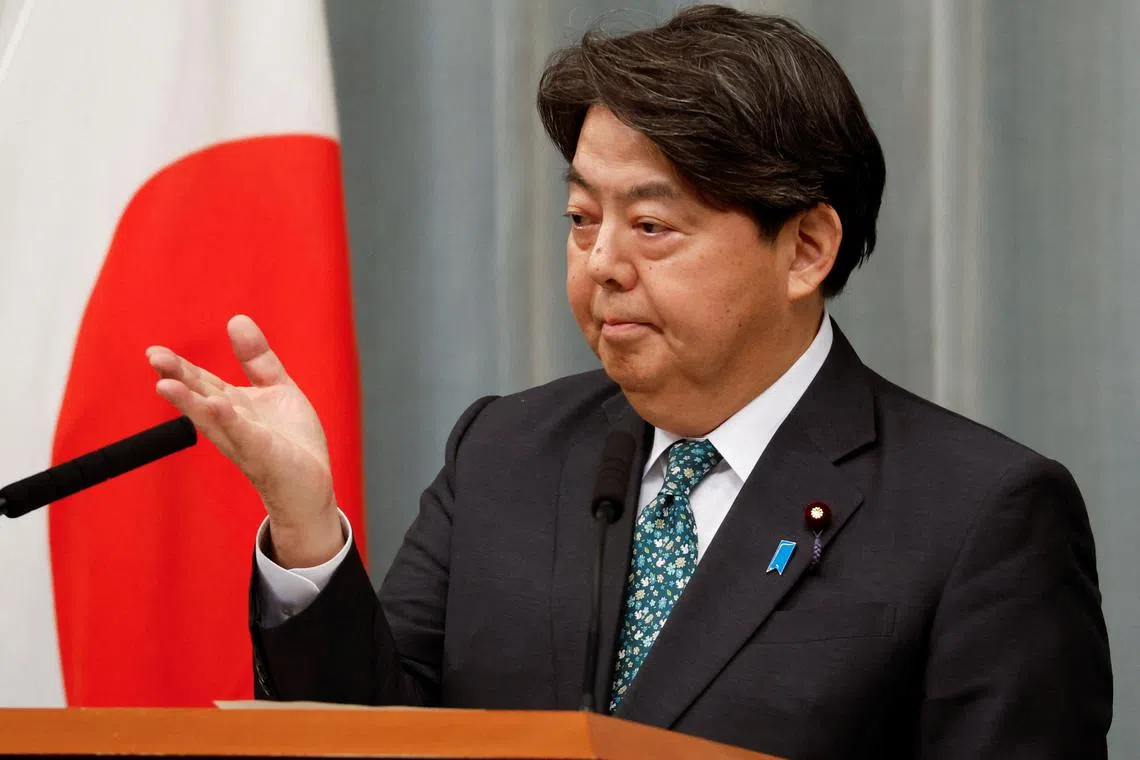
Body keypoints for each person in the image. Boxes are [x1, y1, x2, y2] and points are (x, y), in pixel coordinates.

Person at [146, 5, 1112, 758]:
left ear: (806, 246)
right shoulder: (504, 456)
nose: (601, 262)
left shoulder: (980, 515)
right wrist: (306, 523)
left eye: (650, 225)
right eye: (580, 218)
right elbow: (371, 738)